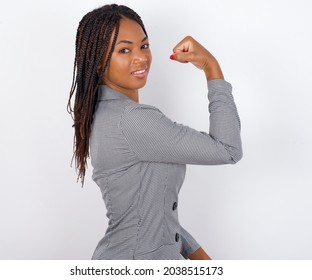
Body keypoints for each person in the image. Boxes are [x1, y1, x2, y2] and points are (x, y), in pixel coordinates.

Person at [67, 4, 242, 260]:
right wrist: (210, 66)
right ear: (97, 61)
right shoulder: (133, 120)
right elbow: (228, 150)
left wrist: (198, 256)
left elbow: (150, 214)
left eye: (144, 46)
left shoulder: (104, 114)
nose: (140, 58)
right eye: (124, 50)